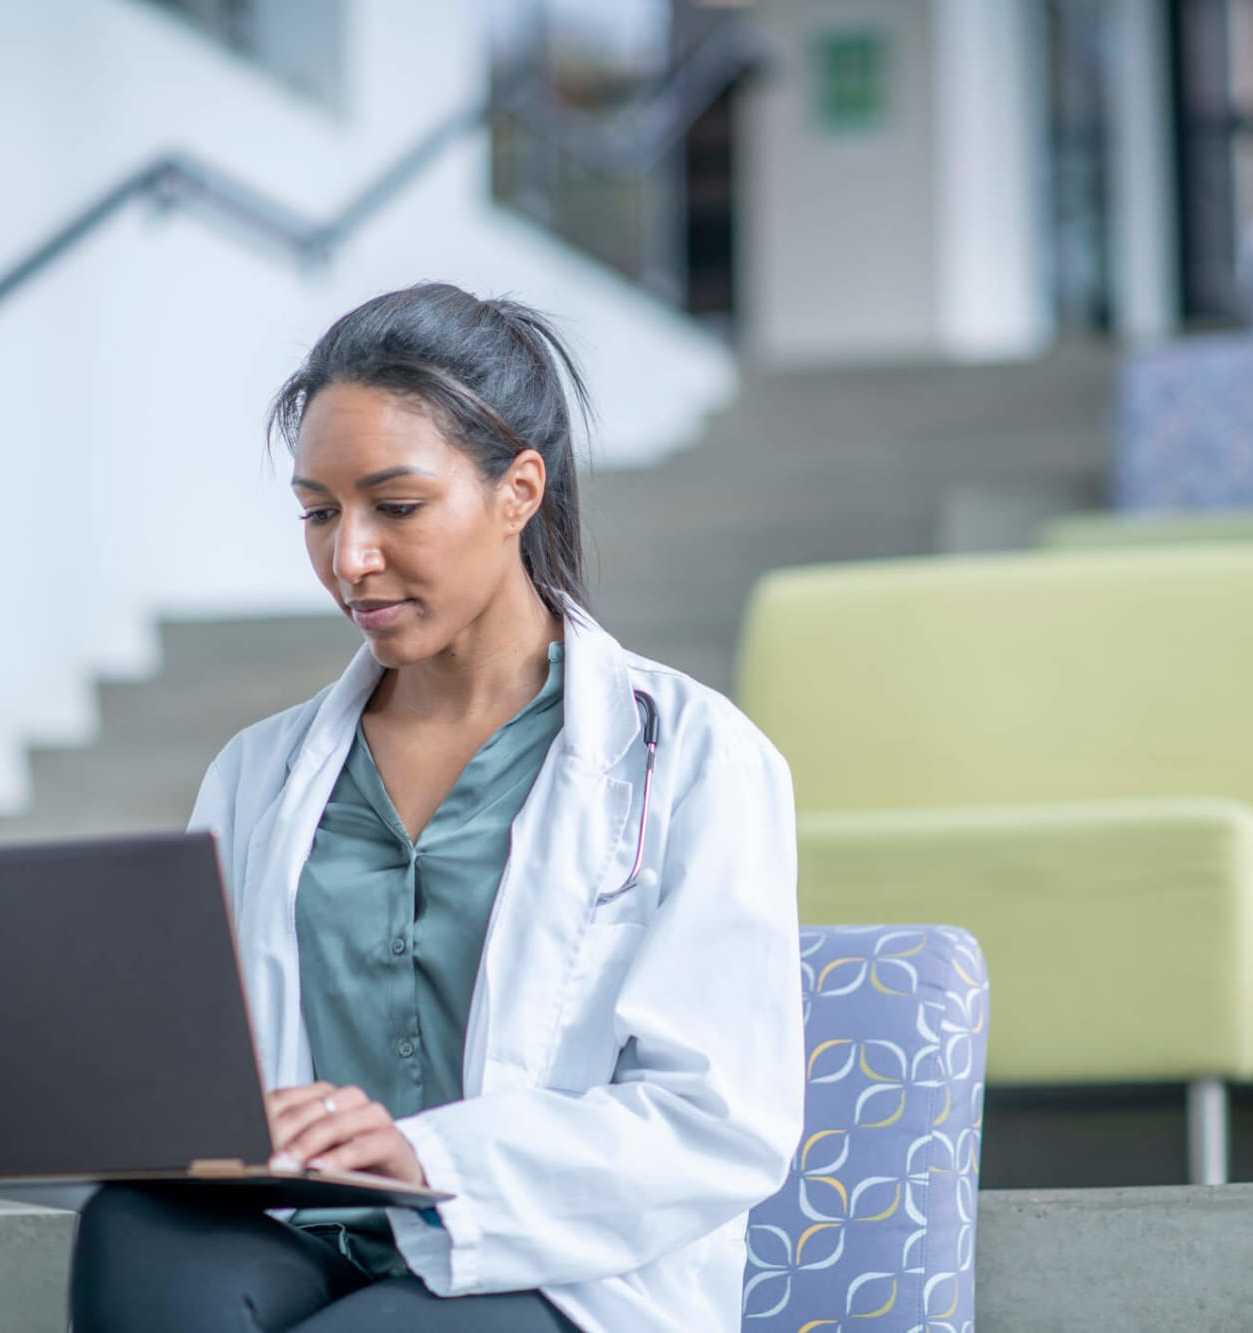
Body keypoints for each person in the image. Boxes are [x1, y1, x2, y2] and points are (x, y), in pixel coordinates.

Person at [67, 282, 805, 1332]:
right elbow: (205, 1059)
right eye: (318, 513)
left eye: (395, 506)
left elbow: (714, 1119)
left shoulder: (690, 757)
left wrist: (427, 1153)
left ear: (519, 490)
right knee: (132, 1230)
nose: (348, 558)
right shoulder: (257, 773)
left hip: (558, 1271)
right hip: (308, 1235)